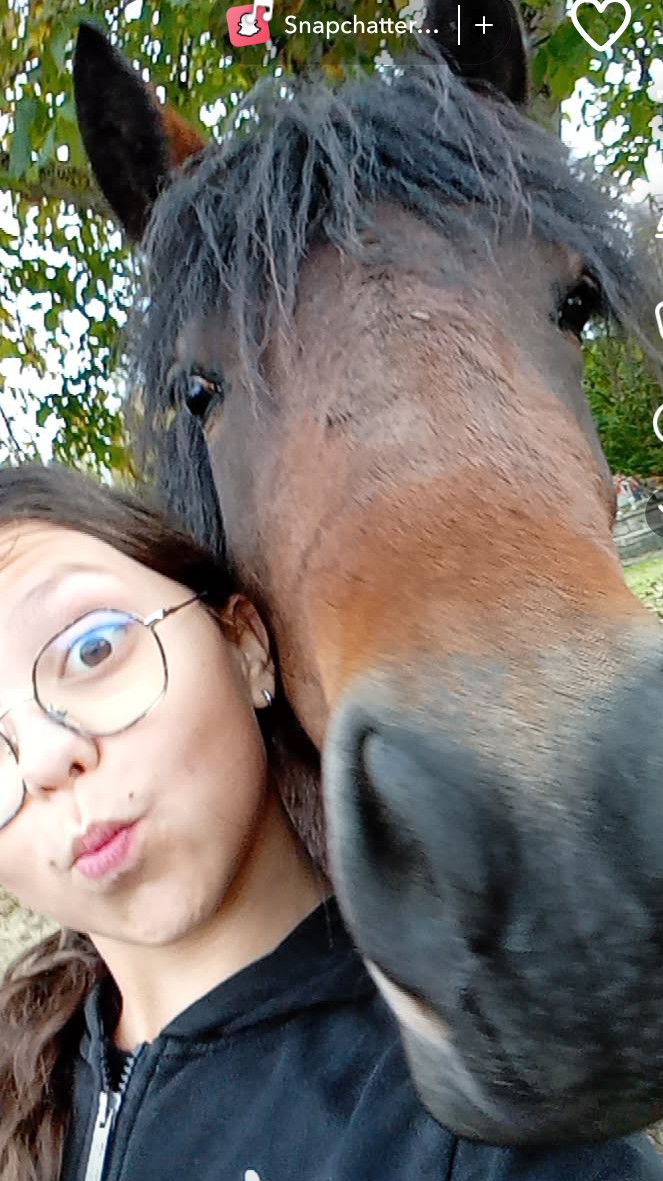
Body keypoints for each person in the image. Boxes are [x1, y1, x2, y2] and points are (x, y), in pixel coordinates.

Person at [0, 463, 661, 1181]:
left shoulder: (488, 1112)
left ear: (244, 643)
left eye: (92, 648)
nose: (43, 759)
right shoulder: (20, 1073)